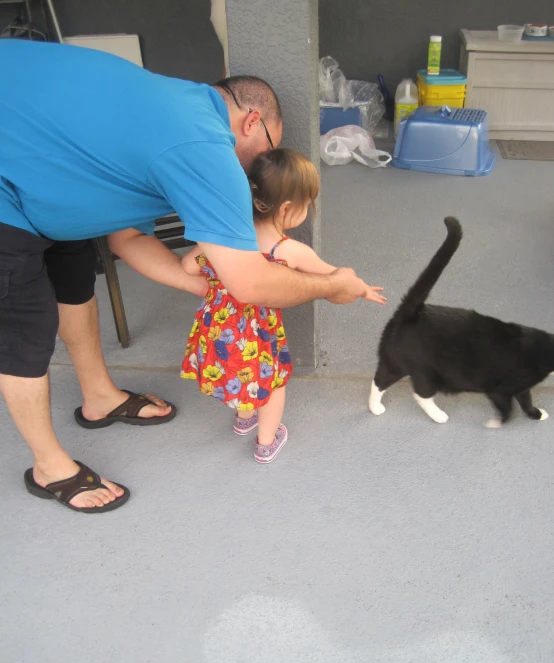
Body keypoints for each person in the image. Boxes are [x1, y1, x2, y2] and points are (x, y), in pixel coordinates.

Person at [0, 39, 376, 513]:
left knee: (73, 277)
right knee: (24, 327)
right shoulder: (204, 145)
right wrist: (332, 287)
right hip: (7, 179)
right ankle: (49, 467)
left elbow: (126, 239)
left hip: (40, 156)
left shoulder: (178, 106)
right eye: (269, 150)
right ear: (252, 122)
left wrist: (203, 286)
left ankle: (98, 398)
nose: (264, 166)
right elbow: (251, 284)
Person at [181, 148, 386, 463]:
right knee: (271, 382)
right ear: (289, 208)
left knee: (241, 373)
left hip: (220, 331)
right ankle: (266, 442)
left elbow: (188, 266)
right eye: (308, 204)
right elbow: (332, 276)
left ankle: (244, 419)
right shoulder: (289, 250)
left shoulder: (227, 239)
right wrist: (359, 287)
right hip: (257, 336)